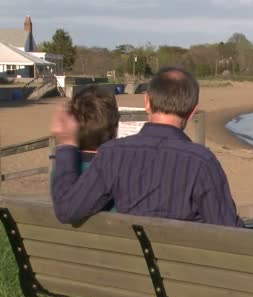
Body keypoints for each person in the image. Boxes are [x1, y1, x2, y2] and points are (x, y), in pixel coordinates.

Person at [51, 66, 242, 227]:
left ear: (147, 102)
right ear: (192, 112)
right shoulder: (202, 162)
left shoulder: (112, 153)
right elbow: (228, 233)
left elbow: (68, 210)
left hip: (129, 266)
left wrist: (67, 144)